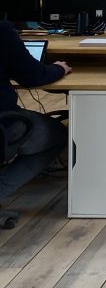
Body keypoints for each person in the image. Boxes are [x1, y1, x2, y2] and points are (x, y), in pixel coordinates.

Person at [0, 21, 71, 200]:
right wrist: (59, 68)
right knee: (58, 134)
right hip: (4, 123)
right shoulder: (1, 31)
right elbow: (33, 76)